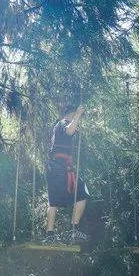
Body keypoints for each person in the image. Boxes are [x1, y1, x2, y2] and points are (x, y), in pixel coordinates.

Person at [43, 103, 89, 243]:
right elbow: (69, 131)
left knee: (53, 202)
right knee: (82, 192)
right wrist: (78, 114)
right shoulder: (63, 123)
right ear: (71, 115)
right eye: (75, 117)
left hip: (55, 167)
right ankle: (74, 230)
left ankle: (50, 235)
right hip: (61, 167)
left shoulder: (58, 126)